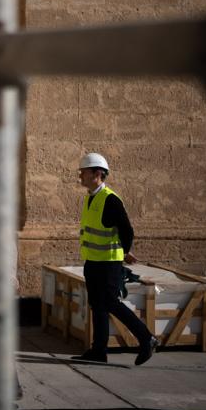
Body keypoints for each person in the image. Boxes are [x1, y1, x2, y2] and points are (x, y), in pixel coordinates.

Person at [75, 152, 158, 365]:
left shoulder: (110, 199)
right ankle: (98, 351)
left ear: (98, 174)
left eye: (83, 172)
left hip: (109, 263)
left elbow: (127, 230)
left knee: (110, 303)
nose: (80, 176)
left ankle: (146, 338)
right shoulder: (90, 198)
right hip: (93, 261)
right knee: (98, 305)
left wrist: (123, 252)